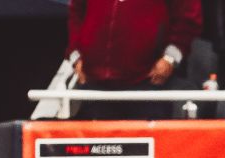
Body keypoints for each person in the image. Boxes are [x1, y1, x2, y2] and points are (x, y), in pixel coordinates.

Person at [66, 0, 203, 119]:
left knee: (144, 146)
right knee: (96, 146)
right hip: (94, 85)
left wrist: (170, 58)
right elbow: (76, 13)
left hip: (147, 84)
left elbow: (188, 17)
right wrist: (75, 56)